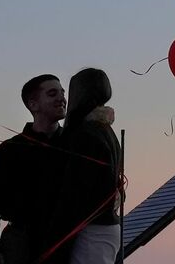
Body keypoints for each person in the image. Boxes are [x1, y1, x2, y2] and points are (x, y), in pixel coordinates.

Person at [0, 74, 69, 264]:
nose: (61, 98)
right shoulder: (9, 149)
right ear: (33, 104)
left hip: (65, 241)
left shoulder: (76, 145)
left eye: (62, 92)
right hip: (20, 244)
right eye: (52, 94)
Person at [44, 68, 123, 264]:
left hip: (91, 231)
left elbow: (74, 194)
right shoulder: (106, 131)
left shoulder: (85, 135)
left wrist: (54, 242)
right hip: (107, 227)